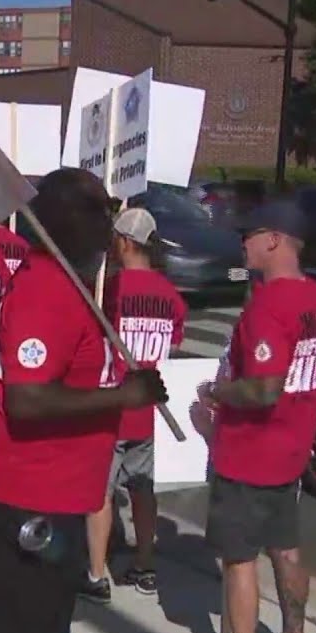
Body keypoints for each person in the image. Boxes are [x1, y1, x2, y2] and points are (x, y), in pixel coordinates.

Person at [0, 168, 168, 633]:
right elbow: (30, 401)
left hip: (55, 496)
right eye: (102, 211)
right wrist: (124, 398)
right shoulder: (47, 291)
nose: (111, 224)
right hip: (30, 498)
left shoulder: (73, 287)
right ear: (68, 222)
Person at [190, 201, 316, 633]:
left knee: (239, 560)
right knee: (286, 544)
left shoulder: (269, 305)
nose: (242, 244)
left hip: (249, 453)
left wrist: (216, 394)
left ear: (274, 240)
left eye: (248, 235)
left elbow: (261, 390)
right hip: (292, 450)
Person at [82, 208, 186, 603]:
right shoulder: (171, 296)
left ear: (123, 242)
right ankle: (146, 565)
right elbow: (172, 347)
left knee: (100, 493)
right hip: (152, 409)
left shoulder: (110, 291)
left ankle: (95, 573)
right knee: (144, 492)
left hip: (113, 404)